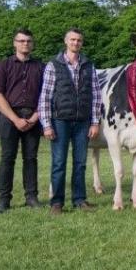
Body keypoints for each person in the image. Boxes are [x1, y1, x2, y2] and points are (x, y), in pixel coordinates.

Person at [39, 28, 102, 215]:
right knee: (59, 162)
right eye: (73, 39)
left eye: (79, 40)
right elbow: (45, 96)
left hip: (83, 122)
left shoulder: (88, 65)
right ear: (66, 41)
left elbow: (96, 95)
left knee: (80, 162)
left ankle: (79, 199)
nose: (76, 43)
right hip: (60, 121)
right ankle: (57, 202)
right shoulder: (53, 65)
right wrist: (47, 124)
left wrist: (95, 122)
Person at [0, 28, 45, 213]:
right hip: (9, 116)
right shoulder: (3, 65)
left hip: (33, 116)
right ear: (14, 43)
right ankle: (4, 200)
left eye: (28, 41)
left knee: (31, 158)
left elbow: (46, 95)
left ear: (32, 44)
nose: (25, 44)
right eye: (21, 41)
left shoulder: (40, 67)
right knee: (7, 158)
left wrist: (35, 117)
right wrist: (15, 119)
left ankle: (31, 197)